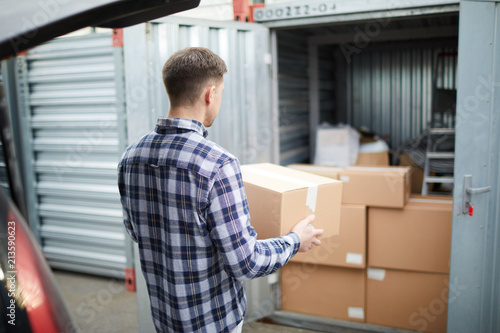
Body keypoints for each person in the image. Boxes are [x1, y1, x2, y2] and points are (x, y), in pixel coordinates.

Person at [118, 47, 323, 333]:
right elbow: (246, 263)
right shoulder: (218, 164)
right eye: (222, 93)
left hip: (165, 318)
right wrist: (294, 241)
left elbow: (136, 231)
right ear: (210, 94)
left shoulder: (131, 157)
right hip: (213, 323)